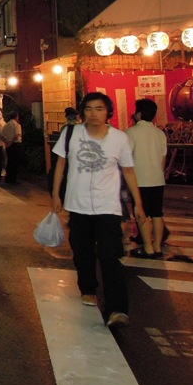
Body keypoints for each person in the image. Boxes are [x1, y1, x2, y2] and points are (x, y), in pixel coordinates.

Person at [51, 92, 146, 329]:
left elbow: (129, 171)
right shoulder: (71, 134)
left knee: (109, 256)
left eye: (99, 109)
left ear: (108, 112)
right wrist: (55, 194)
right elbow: (60, 165)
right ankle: (88, 288)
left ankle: (117, 309)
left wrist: (138, 203)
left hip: (108, 207)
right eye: (90, 109)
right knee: (82, 251)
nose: (94, 114)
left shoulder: (120, 139)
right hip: (77, 204)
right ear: (83, 112)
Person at [126, 98, 168, 259]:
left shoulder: (131, 132)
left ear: (139, 114)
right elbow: (163, 159)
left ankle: (148, 248)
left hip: (139, 180)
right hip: (157, 179)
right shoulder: (160, 134)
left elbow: (127, 158)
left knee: (141, 213)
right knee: (157, 213)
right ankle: (157, 246)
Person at [2, 110, 24, 184]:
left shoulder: (6, 125)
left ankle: (8, 178)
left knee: (10, 162)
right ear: (16, 116)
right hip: (15, 145)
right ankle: (13, 179)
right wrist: (11, 143)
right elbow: (16, 135)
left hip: (8, 145)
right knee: (15, 163)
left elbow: (3, 136)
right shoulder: (17, 125)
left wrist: (7, 143)